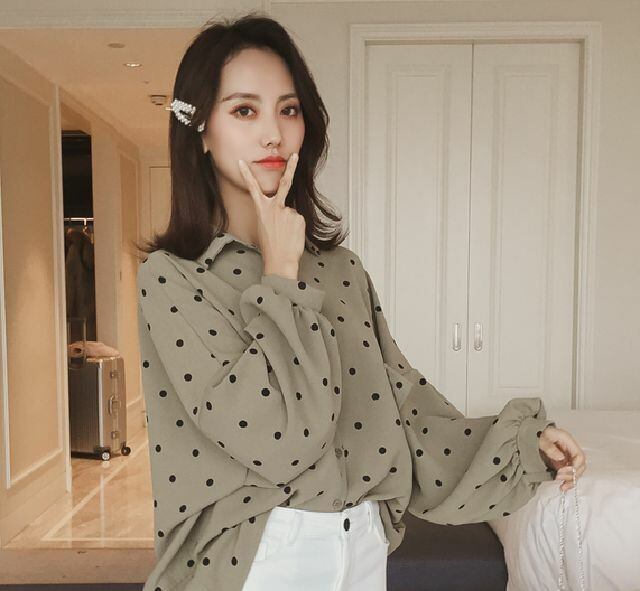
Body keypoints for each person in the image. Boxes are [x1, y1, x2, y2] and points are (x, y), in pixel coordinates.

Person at [135, 12, 587, 591]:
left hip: (363, 544)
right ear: (200, 130)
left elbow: (403, 409)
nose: (272, 133)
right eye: (244, 110)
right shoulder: (173, 279)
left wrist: (522, 445)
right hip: (261, 556)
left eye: (288, 109)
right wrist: (280, 275)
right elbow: (276, 438)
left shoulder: (341, 270)